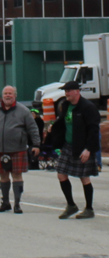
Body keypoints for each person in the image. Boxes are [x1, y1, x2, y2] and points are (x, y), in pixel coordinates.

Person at [0, 85, 40, 214]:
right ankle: (5, 203)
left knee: (17, 175)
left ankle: (17, 204)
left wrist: (36, 144)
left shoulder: (23, 111)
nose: (8, 95)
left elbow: (33, 128)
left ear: (15, 96)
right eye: (6, 93)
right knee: (3, 176)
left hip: (17, 149)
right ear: (2, 96)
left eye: (10, 93)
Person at [51, 80, 101, 219]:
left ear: (77, 92)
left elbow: (93, 130)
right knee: (61, 174)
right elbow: (62, 121)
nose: (66, 93)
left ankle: (89, 209)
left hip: (82, 147)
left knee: (84, 178)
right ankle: (71, 205)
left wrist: (88, 149)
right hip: (68, 145)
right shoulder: (66, 105)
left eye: (68, 91)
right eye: (65, 91)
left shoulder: (87, 107)